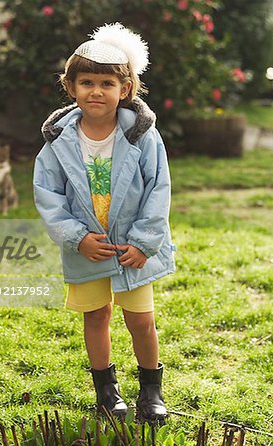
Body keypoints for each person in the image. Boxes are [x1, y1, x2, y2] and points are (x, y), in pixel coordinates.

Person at [33, 23, 176, 421]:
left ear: (125, 88)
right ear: (71, 87)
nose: (96, 92)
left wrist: (145, 241)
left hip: (133, 249)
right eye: (86, 82)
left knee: (142, 321)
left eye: (107, 83)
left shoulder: (143, 136)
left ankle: (151, 390)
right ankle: (106, 392)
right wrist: (76, 238)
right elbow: (48, 195)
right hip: (89, 248)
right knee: (96, 317)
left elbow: (158, 188)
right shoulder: (57, 141)